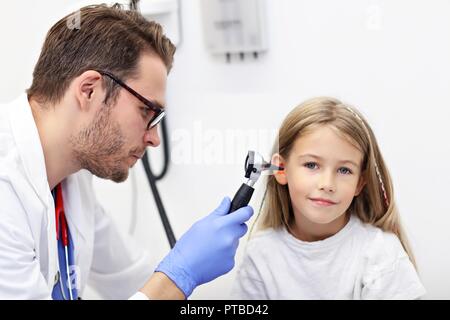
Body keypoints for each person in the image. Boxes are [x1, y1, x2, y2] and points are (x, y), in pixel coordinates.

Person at [0, 4, 253, 300]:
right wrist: (180, 273)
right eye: (147, 110)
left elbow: (130, 278)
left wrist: (184, 267)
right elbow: (162, 284)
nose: (154, 139)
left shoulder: (70, 177)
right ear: (89, 90)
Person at [231, 97, 426, 299]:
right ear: (281, 169)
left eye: (344, 170)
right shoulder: (261, 254)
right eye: (312, 165)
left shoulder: (380, 253)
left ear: (360, 182)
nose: (327, 184)